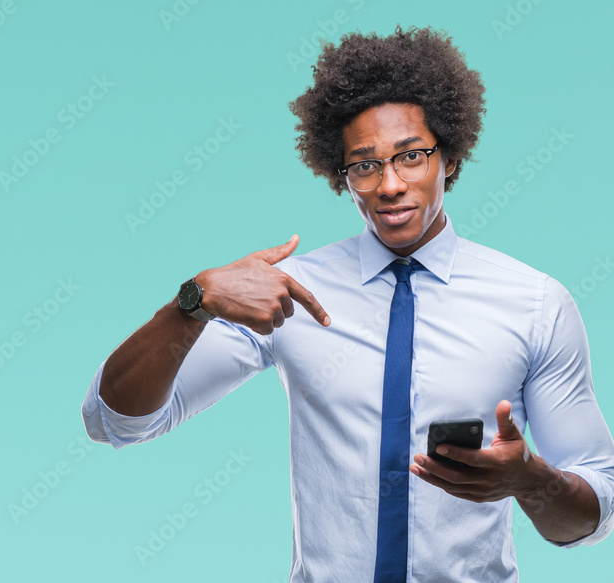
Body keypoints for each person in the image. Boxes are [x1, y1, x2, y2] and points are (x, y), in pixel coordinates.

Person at [80, 25, 614, 582]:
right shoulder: (288, 292)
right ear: (343, 177)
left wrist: (530, 479)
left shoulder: (533, 303)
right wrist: (193, 303)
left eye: (411, 156)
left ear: (449, 159)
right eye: (365, 164)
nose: (389, 184)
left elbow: (592, 515)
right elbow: (114, 421)